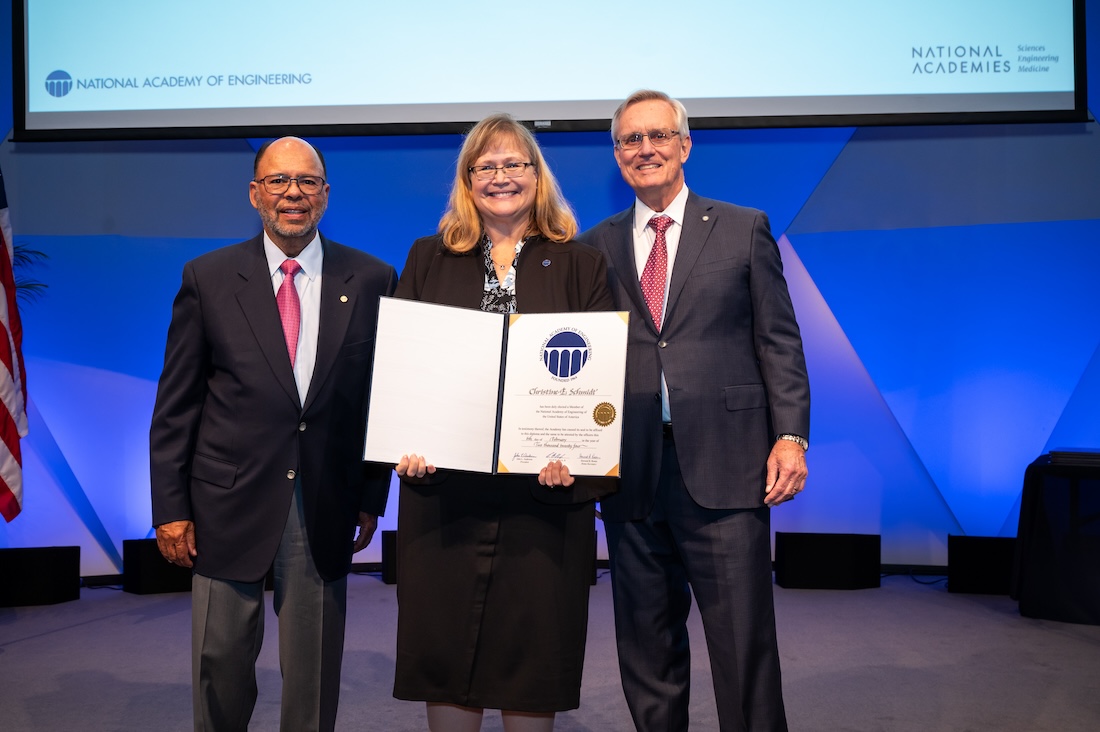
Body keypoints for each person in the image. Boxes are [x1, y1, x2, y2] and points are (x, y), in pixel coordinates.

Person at [579, 90, 810, 732]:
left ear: (685, 145)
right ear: (617, 155)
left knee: (742, 647)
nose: (644, 149)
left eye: (657, 136)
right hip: (631, 473)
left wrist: (791, 434)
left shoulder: (743, 227)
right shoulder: (593, 247)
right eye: (630, 140)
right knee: (647, 649)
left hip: (730, 467)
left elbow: (778, 340)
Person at [149, 136, 397, 732]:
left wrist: (370, 496)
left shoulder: (371, 278)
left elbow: (377, 402)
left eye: (307, 182)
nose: (294, 194)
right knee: (220, 665)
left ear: (326, 195)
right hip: (224, 503)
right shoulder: (207, 277)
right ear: (256, 193)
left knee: (312, 675)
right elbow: (176, 404)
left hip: (324, 502)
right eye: (279, 181)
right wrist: (171, 507)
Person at [390, 113, 615, 732]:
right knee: (446, 657)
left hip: (544, 500)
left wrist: (581, 459)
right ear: (466, 181)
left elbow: (606, 385)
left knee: (530, 659)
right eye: (484, 166)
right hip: (446, 497)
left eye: (515, 163)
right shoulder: (427, 259)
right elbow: (406, 367)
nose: (501, 177)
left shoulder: (582, 265)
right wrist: (406, 444)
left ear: (537, 176)